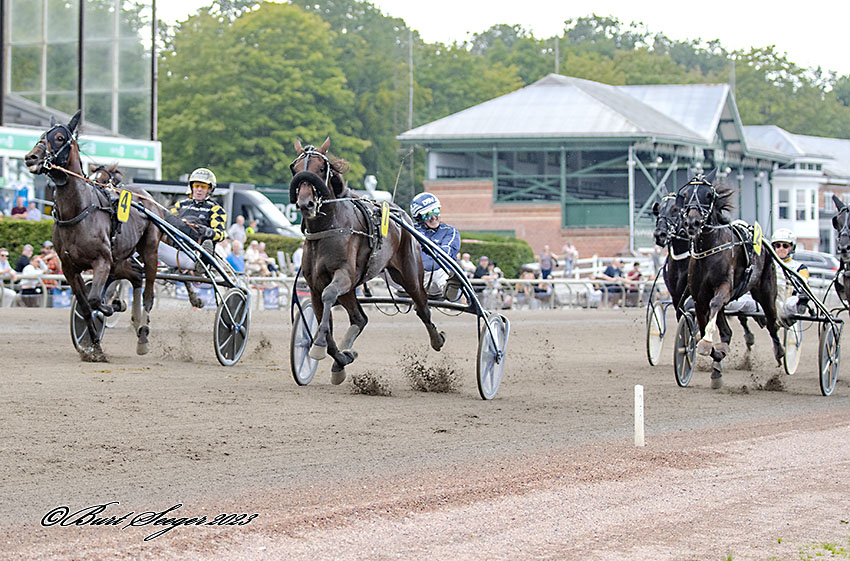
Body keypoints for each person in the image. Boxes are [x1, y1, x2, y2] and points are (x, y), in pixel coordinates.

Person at [158, 168, 227, 274]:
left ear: (209, 189)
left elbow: (220, 235)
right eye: (196, 186)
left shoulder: (215, 209)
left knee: (207, 243)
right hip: (176, 253)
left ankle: (203, 262)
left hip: (195, 255)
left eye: (203, 186)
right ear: (191, 187)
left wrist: (205, 231)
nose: (199, 189)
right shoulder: (180, 205)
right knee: (152, 240)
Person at [409, 192, 461, 298]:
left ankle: (450, 289)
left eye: (435, 211)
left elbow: (445, 254)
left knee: (442, 270)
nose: (433, 217)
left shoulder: (450, 231)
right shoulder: (410, 229)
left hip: (437, 276)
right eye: (427, 215)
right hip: (414, 277)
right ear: (419, 217)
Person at [772, 228, 810, 323]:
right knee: (744, 302)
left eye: (785, 246)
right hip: (767, 301)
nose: (781, 248)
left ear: (791, 248)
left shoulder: (799, 267)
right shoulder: (767, 265)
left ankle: (801, 303)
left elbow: (804, 279)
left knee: (791, 302)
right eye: (778, 245)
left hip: (787, 300)